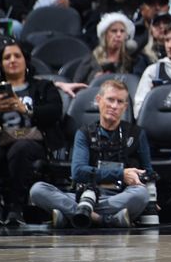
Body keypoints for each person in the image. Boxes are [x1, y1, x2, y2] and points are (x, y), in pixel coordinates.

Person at [30, 79, 151, 228]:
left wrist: (144, 185)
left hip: (118, 196)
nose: (114, 106)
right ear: (98, 100)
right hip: (82, 196)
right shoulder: (84, 133)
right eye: (110, 99)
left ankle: (74, 216)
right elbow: (78, 172)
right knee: (37, 190)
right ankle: (103, 220)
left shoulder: (136, 133)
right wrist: (121, 174)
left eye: (120, 102)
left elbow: (148, 172)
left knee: (141, 194)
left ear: (125, 107)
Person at [0, 39, 63, 226]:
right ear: (1, 64)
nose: (12, 60)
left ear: (26, 60)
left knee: (20, 148)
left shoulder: (43, 86)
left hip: (32, 142)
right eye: (7, 57)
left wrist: (26, 110)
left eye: (17, 56)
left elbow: (55, 112)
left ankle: (15, 209)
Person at [73, 13, 134, 84]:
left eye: (122, 31)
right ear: (105, 35)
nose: (119, 35)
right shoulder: (91, 59)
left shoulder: (129, 61)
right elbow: (76, 84)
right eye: (114, 31)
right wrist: (94, 81)